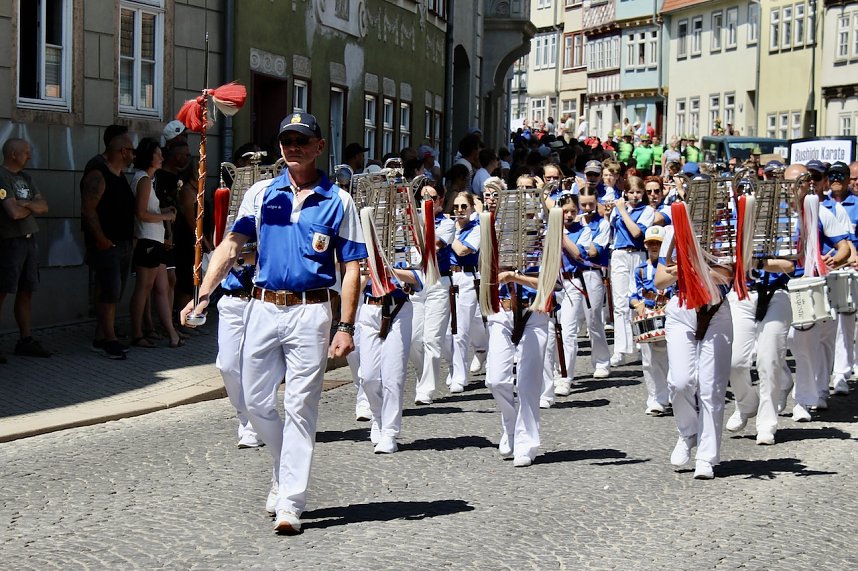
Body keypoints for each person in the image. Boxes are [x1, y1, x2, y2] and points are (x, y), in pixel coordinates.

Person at [182, 112, 366, 535]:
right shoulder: (263, 194)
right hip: (262, 307)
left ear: (319, 146)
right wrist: (203, 294)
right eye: (287, 140)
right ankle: (284, 470)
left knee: (301, 406)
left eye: (302, 140)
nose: (293, 147)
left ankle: (291, 502)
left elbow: (353, 267)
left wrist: (347, 326)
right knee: (253, 398)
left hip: (311, 310)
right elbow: (232, 246)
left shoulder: (339, 200)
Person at [654, 221, 733, 480]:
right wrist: (688, 271)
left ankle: (706, 457)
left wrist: (690, 267)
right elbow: (660, 280)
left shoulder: (726, 232)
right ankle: (688, 432)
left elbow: (726, 275)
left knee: (711, 388)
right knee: (679, 382)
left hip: (716, 310)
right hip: (682, 310)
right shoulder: (671, 232)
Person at [80, 125, 136, 359]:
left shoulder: (120, 175)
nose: (134, 155)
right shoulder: (98, 174)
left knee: (114, 291)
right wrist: (101, 239)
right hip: (107, 245)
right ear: (122, 151)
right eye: (131, 151)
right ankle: (109, 340)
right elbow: (88, 210)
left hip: (122, 244)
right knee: (109, 292)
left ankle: (102, 336)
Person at [127, 138, 182, 349]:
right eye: (158, 154)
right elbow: (140, 213)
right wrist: (165, 216)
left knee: (161, 286)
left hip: (155, 239)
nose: (161, 157)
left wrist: (164, 217)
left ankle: (171, 333)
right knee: (144, 288)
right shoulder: (143, 180)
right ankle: (137, 333)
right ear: (149, 156)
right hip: (147, 240)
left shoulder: (147, 179)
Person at [0, 138, 50, 362]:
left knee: (26, 291)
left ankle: (25, 339)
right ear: (13, 154)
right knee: (1, 290)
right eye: (26, 152)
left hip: (29, 240)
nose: (29, 156)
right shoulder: (2, 177)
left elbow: (44, 207)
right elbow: (13, 213)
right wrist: (30, 205)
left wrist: (26, 204)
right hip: (9, 241)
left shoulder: (25, 177)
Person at [608, 176, 654, 366]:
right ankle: (621, 349)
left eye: (638, 192)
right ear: (625, 193)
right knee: (619, 303)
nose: (634, 196)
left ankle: (641, 345)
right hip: (619, 253)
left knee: (637, 300)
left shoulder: (648, 211)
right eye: (631, 192)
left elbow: (636, 233)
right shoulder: (619, 209)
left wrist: (621, 211)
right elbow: (612, 230)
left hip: (638, 254)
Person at [629, 226, 672, 416]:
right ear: (646, 245)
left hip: (669, 314)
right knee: (649, 360)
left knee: (671, 357)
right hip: (648, 315)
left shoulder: (671, 267)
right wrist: (639, 306)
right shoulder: (640, 270)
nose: (654, 247)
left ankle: (674, 394)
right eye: (651, 243)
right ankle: (655, 398)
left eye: (658, 244)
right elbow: (632, 295)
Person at [447, 192, 482, 393]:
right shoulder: (449, 226)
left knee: (460, 330)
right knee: (444, 332)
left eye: (463, 207)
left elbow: (462, 251)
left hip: (467, 278)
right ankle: (455, 366)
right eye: (456, 207)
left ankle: (460, 376)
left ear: (470, 209)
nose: (459, 211)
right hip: (446, 278)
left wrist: (447, 234)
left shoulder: (476, 229)